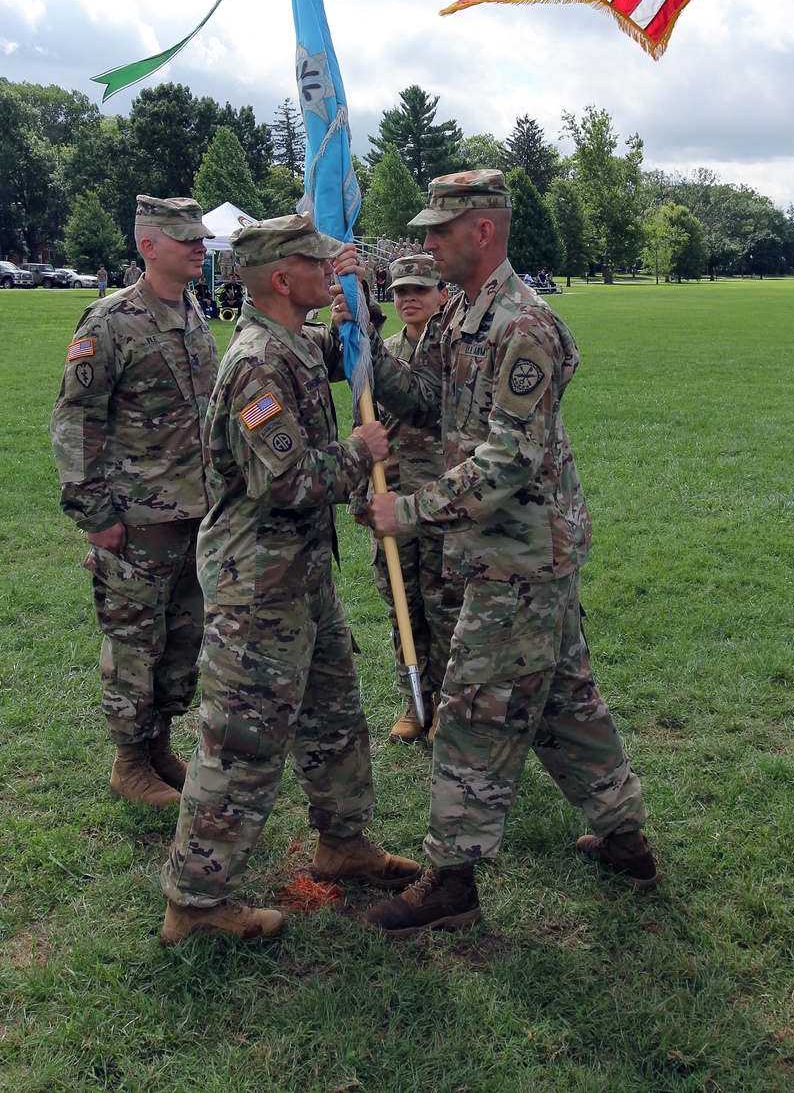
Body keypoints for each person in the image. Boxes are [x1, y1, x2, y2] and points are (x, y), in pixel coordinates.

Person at [335, 170, 655, 938]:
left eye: (438, 231)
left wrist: (405, 510)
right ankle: (626, 840)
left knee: (473, 709)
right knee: (565, 702)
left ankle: (451, 880)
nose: (426, 244)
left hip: (520, 558)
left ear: (483, 231)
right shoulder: (467, 317)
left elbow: (509, 460)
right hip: (509, 553)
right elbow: (416, 394)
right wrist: (359, 317)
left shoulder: (523, 327)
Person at [160, 214, 420, 946]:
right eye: (317, 261)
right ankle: (195, 900)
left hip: (302, 575)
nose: (328, 267)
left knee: (333, 713)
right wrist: (357, 450)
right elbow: (289, 480)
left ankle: (343, 842)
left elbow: (347, 355)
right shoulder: (255, 365)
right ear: (282, 277)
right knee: (242, 742)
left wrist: (355, 298)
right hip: (257, 588)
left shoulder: (293, 346)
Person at [50, 196, 218, 808]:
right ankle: (128, 762)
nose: (199, 247)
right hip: (137, 519)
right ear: (149, 247)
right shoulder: (110, 321)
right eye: (185, 239)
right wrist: (94, 514)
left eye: (200, 237)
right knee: (132, 641)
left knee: (180, 638)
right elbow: (75, 421)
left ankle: (158, 747)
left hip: (194, 514)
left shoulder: (192, 311)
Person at [364, 253, 462, 742]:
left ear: (441, 294)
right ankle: (413, 700)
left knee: (445, 603)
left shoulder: (453, 349)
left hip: (442, 497)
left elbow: (417, 402)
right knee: (401, 603)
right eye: (400, 291)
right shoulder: (384, 348)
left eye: (420, 290)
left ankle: (446, 702)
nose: (408, 299)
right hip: (393, 494)